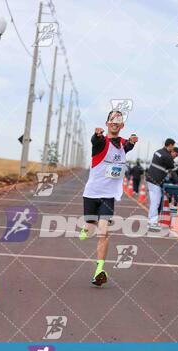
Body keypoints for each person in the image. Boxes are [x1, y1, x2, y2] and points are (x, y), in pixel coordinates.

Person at [79, 110, 138, 286]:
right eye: (112, 120)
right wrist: (96, 135)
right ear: (107, 124)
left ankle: (99, 270)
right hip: (91, 193)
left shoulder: (122, 144)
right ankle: (86, 228)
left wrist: (133, 139)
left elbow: (128, 145)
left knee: (104, 232)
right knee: (89, 229)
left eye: (118, 120)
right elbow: (95, 140)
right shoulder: (100, 142)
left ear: (122, 125)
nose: (115, 122)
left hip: (109, 196)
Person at [146, 138, 177, 231]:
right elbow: (173, 167)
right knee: (156, 202)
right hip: (156, 180)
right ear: (170, 145)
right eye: (173, 146)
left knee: (153, 201)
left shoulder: (157, 152)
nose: (173, 148)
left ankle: (151, 220)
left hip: (150, 179)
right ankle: (152, 222)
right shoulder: (167, 156)